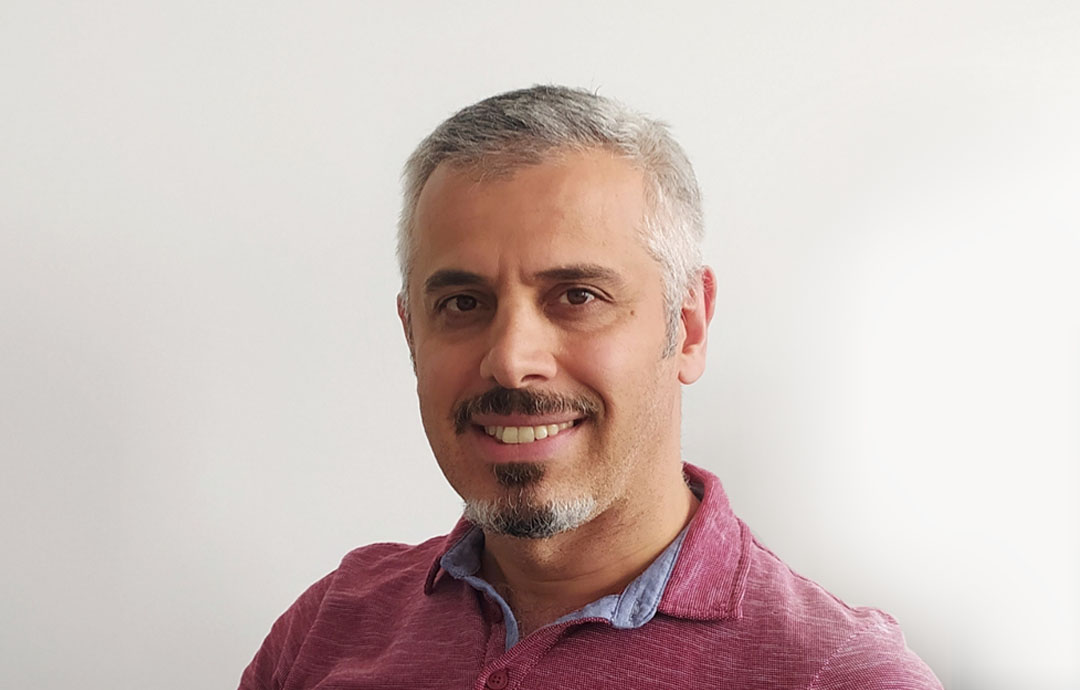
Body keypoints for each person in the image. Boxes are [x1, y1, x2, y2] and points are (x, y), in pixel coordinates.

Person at [239, 85, 942, 689]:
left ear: (689, 326)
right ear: (410, 334)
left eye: (577, 296)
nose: (511, 360)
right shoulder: (329, 630)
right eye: (462, 303)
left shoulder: (838, 675)